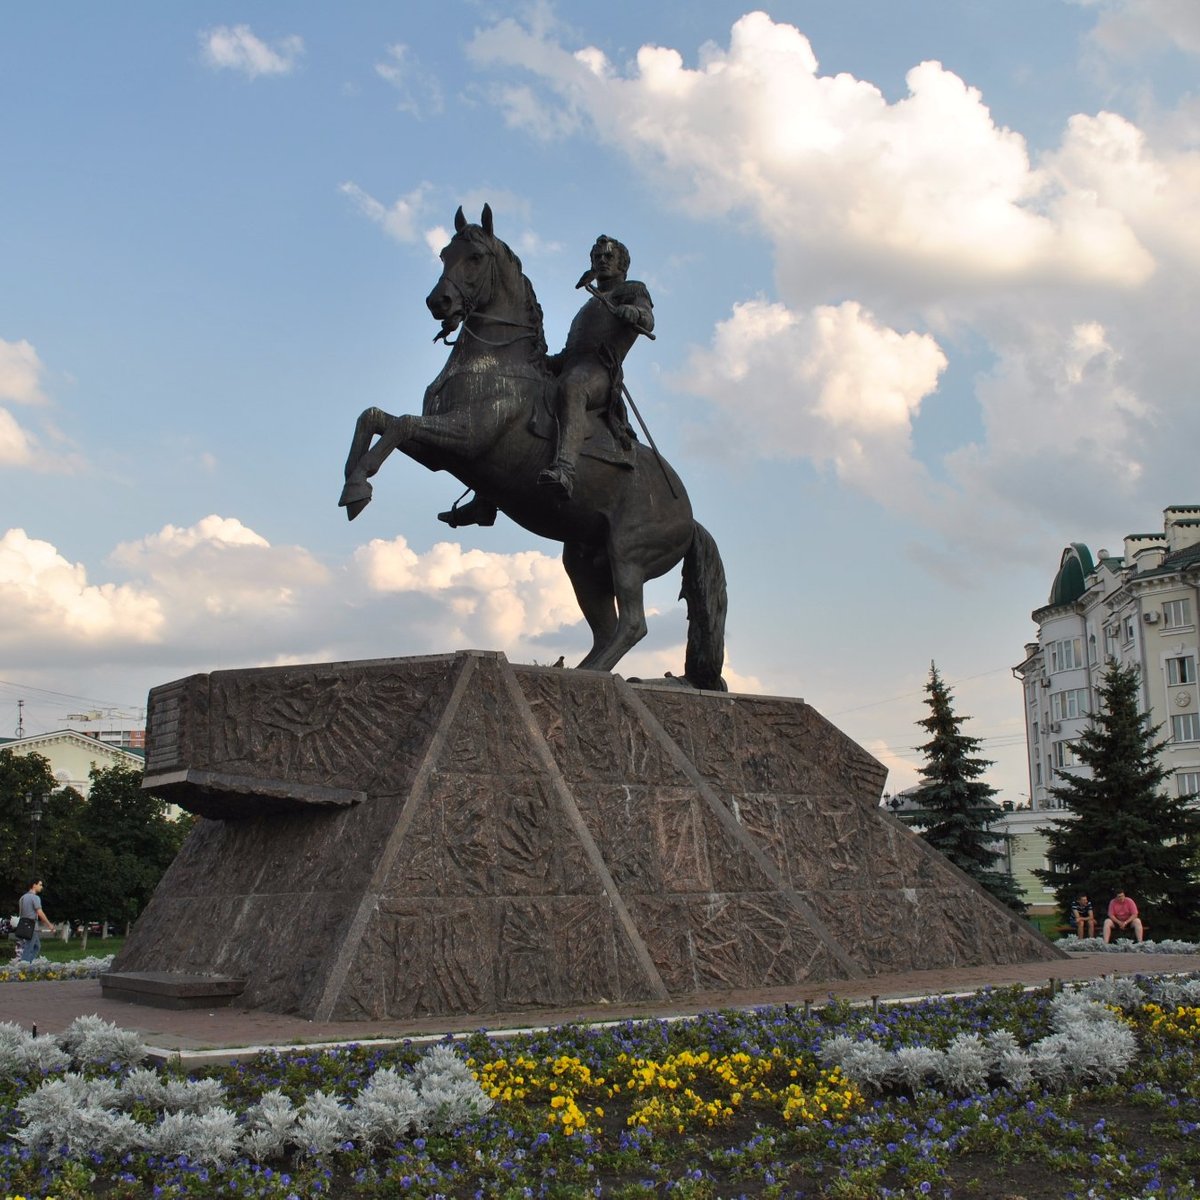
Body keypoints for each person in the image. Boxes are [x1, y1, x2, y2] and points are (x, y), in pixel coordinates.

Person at [437, 234, 653, 526]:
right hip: (573, 365)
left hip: (600, 372)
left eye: (608, 257)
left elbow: (648, 319)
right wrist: (538, 363)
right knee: (519, 402)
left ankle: (564, 468)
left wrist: (635, 312)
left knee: (572, 388)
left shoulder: (631, 290)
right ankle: (484, 501)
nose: (602, 260)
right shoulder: (588, 307)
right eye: (597, 257)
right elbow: (570, 353)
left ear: (622, 265)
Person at [18, 879, 56, 963]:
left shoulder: (22, 898)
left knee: (36, 946)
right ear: (34, 885)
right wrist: (49, 924)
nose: (41, 887)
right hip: (32, 926)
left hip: (23, 925)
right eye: (40, 885)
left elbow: (21, 913)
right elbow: (40, 912)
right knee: (29, 947)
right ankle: (24, 967)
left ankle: (28, 963)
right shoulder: (35, 898)